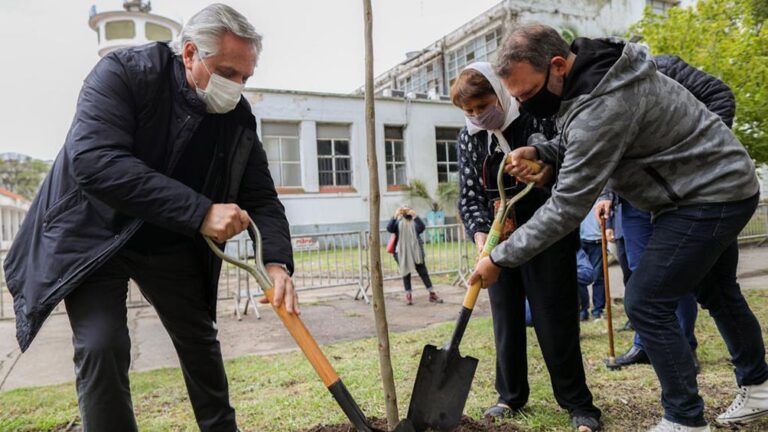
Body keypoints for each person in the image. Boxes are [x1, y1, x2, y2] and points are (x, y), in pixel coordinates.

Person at [2, 5, 297, 431]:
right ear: (191, 53)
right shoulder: (121, 74)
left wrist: (277, 263)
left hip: (168, 240)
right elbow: (95, 161)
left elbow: (263, 199)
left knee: (200, 341)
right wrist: (201, 211)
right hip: (95, 237)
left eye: (245, 78)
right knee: (102, 346)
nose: (236, 88)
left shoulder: (236, 117)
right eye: (228, 73)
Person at [470, 24, 767, 431]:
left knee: (646, 300)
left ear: (557, 65)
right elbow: (585, 139)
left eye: (525, 93)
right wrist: (542, 151)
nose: (522, 102)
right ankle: (759, 384)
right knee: (716, 290)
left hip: (709, 194)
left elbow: (567, 207)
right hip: (703, 190)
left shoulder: (602, 101)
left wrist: (499, 258)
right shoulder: (593, 83)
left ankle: (684, 418)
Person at [453, 62, 601, 432]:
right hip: (498, 238)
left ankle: (578, 403)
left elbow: (568, 168)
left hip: (545, 232)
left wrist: (543, 172)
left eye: (482, 104)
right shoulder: (469, 137)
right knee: (505, 319)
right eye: (468, 111)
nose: (476, 116)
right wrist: (482, 238)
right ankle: (510, 395)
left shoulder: (537, 118)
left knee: (555, 316)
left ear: (500, 93)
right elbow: (469, 196)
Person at [594, 55, 737, 371]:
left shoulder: (664, 68)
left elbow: (720, 95)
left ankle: (684, 347)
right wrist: (605, 193)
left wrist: (700, 153)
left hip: (676, 194)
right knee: (640, 272)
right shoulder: (600, 96)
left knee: (674, 273)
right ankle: (645, 345)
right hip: (631, 200)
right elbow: (605, 149)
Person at [386, 206, 442, 305]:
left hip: (416, 252)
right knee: (405, 272)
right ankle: (408, 295)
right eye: (404, 210)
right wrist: (395, 216)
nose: (406, 211)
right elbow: (390, 229)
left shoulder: (414, 221)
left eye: (408, 209)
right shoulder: (398, 222)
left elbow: (422, 228)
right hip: (402, 252)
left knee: (423, 272)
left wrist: (415, 216)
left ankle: (432, 293)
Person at [577, 201, 608, 321]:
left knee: (597, 277)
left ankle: (597, 310)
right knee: (580, 275)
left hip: (597, 240)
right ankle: (582, 310)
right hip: (580, 239)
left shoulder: (602, 196)